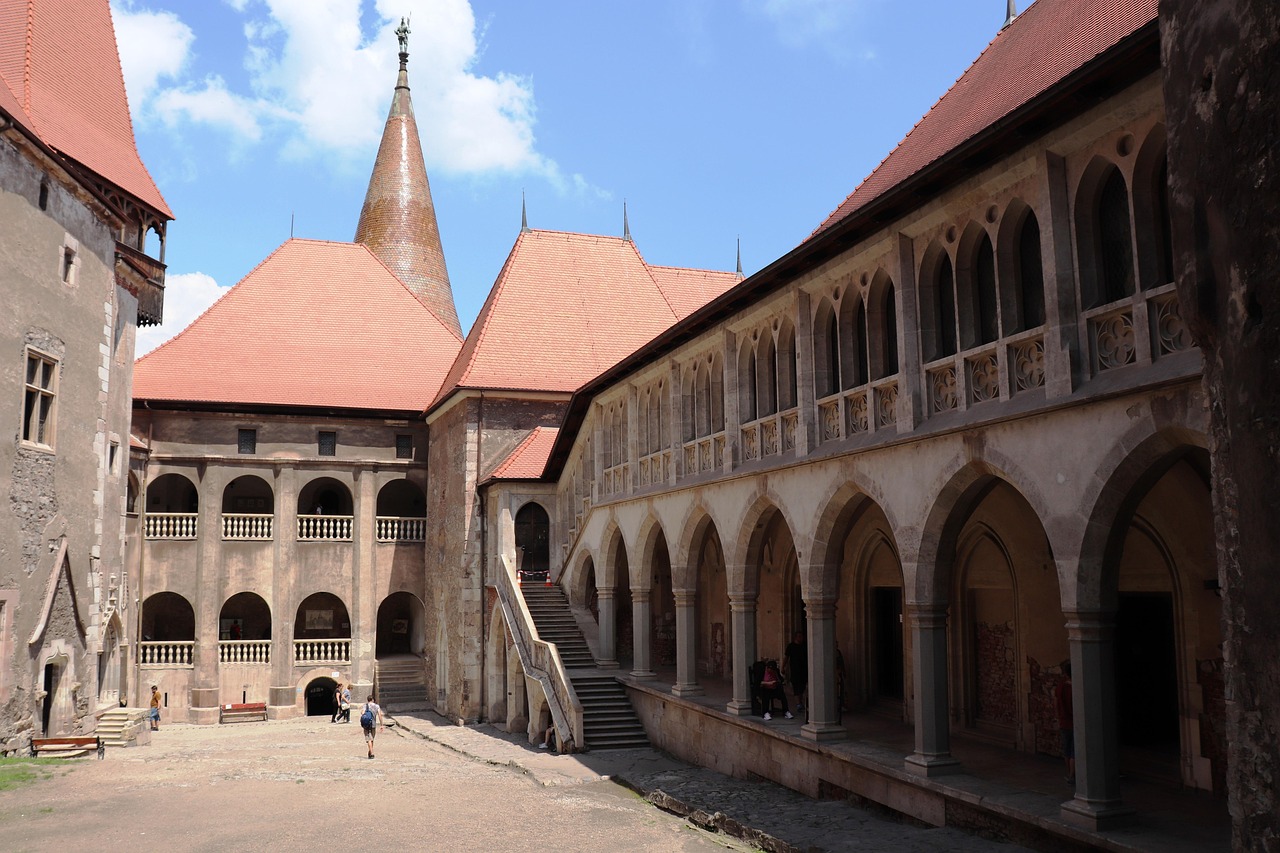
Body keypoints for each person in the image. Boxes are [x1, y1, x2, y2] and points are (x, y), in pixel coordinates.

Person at [1054, 661, 1075, 786]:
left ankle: (1069, 774)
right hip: (1076, 723)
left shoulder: (1061, 687)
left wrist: (1058, 716)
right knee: (1074, 751)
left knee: (1067, 750)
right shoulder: (1077, 687)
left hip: (1064, 722)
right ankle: (1073, 774)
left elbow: (1056, 703)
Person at [783, 631, 808, 712]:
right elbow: (786, 657)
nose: (801, 638)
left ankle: (800, 702)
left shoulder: (804, 646)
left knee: (802, 687)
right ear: (796, 637)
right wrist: (783, 667)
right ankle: (798, 704)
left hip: (804, 670)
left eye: (802, 636)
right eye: (800, 636)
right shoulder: (791, 646)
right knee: (796, 687)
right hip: (795, 670)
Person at [360, 694, 383, 759]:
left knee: (369, 739)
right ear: (372, 700)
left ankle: (371, 752)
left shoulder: (365, 705)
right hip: (373, 724)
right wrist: (381, 725)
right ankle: (371, 752)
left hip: (366, 724)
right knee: (372, 738)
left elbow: (362, 713)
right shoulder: (377, 706)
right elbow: (380, 715)